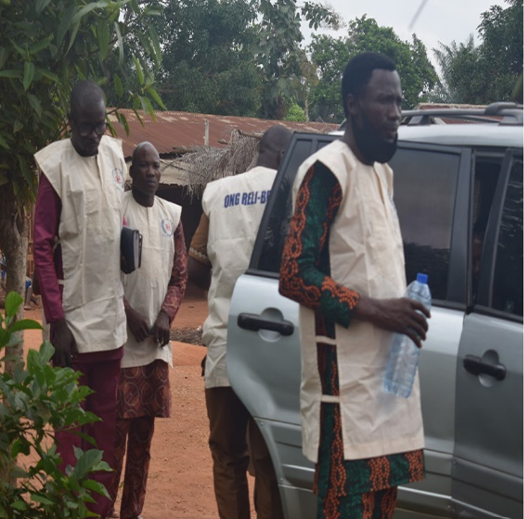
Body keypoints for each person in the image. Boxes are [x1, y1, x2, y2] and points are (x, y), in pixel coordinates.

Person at [278, 52, 430, 519]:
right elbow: (294, 274)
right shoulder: (327, 171)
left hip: (388, 385)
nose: (396, 112)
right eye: (384, 100)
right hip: (345, 393)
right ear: (353, 105)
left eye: (399, 101)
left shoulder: (383, 174)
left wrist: (401, 307)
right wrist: (380, 311)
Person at [33, 79, 127, 518]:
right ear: (69, 122)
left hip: (110, 321)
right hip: (71, 327)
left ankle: (100, 513)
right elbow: (41, 246)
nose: (93, 135)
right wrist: (57, 320)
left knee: (103, 437)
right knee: (70, 435)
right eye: (85, 126)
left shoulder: (114, 155)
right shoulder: (55, 168)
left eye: (100, 125)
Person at [188, 125, 292, 519]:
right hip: (274, 349)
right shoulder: (290, 193)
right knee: (268, 461)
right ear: (283, 156)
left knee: (227, 456)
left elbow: (196, 269)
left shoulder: (218, 192)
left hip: (224, 344)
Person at [108, 142, 188, 519]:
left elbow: (180, 275)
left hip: (155, 348)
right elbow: (103, 272)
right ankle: (103, 509)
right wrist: (128, 313)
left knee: (143, 440)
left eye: (157, 166)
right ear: (131, 171)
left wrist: (166, 316)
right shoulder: (117, 211)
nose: (152, 172)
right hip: (121, 348)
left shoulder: (172, 215)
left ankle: (132, 512)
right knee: (113, 440)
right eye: (144, 166)